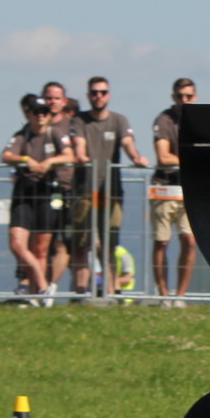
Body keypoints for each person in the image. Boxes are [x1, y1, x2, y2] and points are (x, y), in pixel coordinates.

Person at [77, 76, 151, 296]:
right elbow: (79, 144)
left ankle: (110, 291)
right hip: (86, 190)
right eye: (94, 93)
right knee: (83, 243)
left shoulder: (119, 120)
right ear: (88, 95)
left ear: (108, 95)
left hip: (112, 191)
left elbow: (127, 142)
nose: (98, 96)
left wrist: (136, 157)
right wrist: (81, 156)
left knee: (109, 242)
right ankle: (81, 293)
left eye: (102, 92)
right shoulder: (80, 120)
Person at [1, 94, 75, 304]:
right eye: (36, 112)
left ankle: (35, 295)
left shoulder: (55, 133)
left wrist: (50, 162)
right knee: (16, 243)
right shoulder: (22, 135)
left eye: (44, 112)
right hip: (24, 192)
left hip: (47, 191)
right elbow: (6, 155)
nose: (40, 116)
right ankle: (43, 286)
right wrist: (26, 159)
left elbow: (70, 155)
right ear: (29, 115)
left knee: (41, 249)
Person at [152, 78, 199, 306]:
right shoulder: (163, 120)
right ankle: (164, 295)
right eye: (180, 96)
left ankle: (180, 296)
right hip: (165, 187)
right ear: (173, 97)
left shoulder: (200, 120)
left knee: (189, 241)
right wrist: (192, 160)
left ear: (195, 97)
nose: (184, 100)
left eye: (188, 96)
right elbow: (163, 157)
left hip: (190, 188)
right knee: (162, 241)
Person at [40, 82, 89, 291]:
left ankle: (53, 289)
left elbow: (80, 153)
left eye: (56, 98)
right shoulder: (37, 124)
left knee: (70, 243)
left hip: (70, 190)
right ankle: (38, 288)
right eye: (49, 98)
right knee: (42, 244)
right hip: (41, 190)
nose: (52, 102)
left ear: (64, 101)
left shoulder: (74, 125)